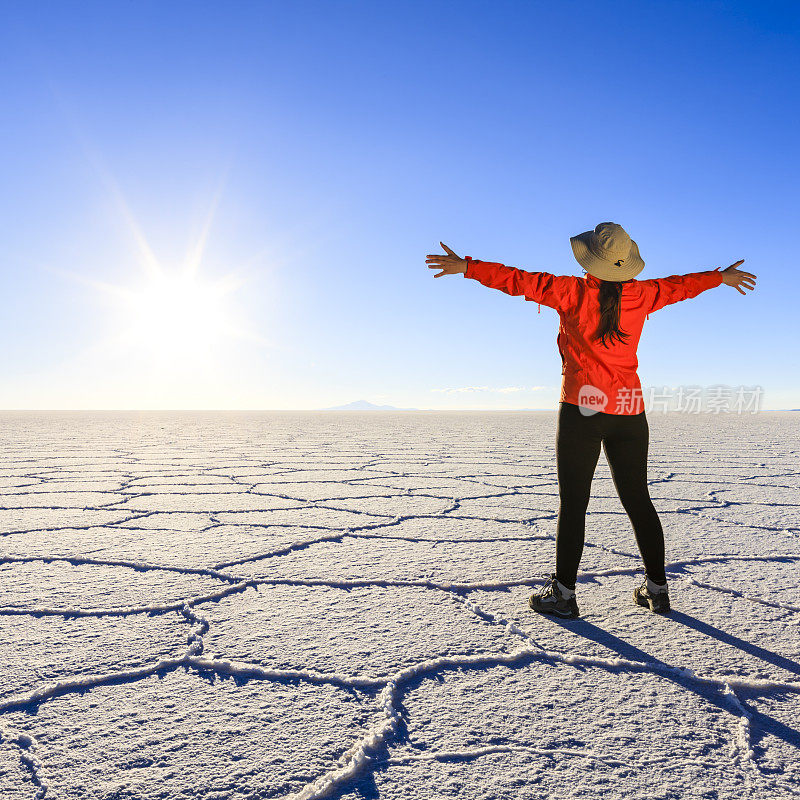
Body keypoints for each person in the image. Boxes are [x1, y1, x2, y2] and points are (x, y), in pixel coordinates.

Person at [425, 223, 756, 619]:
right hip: (630, 410)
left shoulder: (569, 291)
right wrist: (721, 276)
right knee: (638, 500)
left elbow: (517, 280)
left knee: (575, 504)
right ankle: (657, 590)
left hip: (583, 407)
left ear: (590, 260)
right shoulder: (645, 294)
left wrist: (467, 266)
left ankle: (563, 595)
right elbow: (681, 285)